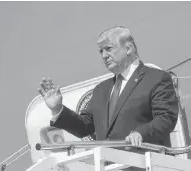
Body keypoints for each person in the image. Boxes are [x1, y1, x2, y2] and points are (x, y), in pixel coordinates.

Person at [37, 26, 179, 150]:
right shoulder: (101, 89)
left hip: (144, 168)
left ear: (128, 48)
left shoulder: (156, 78)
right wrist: (57, 109)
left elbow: (166, 118)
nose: (104, 56)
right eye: (101, 51)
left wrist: (140, 133)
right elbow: (84, 127)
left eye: (109, 49)